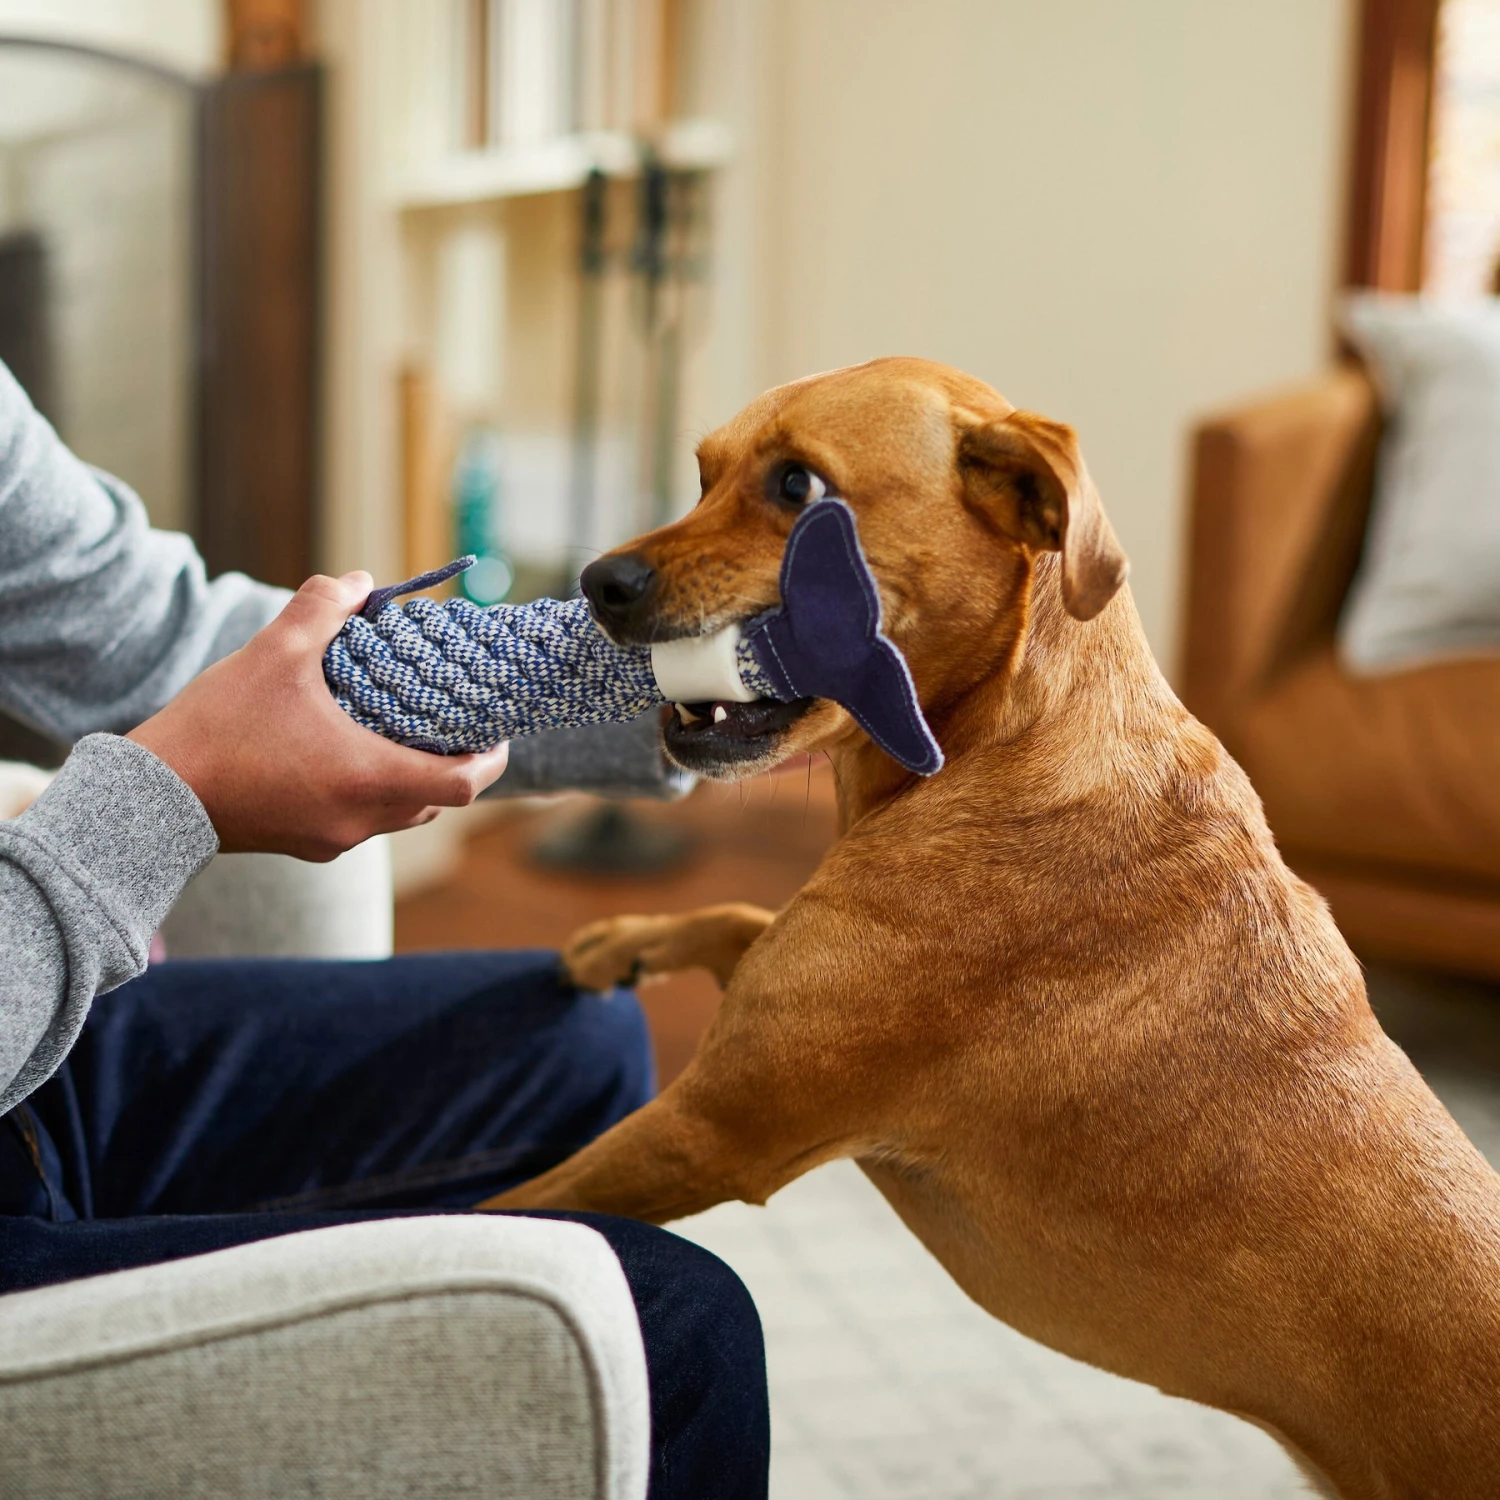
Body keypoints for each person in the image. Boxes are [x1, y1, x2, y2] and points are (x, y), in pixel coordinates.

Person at [0, 360, 769, 1498]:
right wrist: (169, 800)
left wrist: (697, 669)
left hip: (39, 1076)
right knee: (674, 1340)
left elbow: (152, 637)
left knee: (579, 1035)